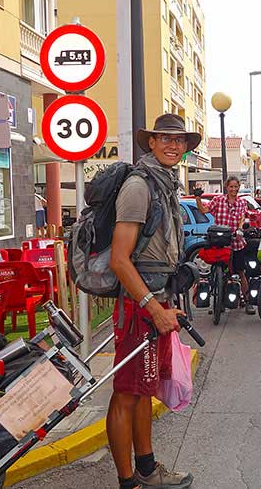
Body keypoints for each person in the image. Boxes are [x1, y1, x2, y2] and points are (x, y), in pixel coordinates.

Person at [108, 113, 196, 489]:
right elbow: (119, 259)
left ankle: (146, 468)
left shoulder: (164, 184)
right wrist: (153, 309)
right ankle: (128, 482)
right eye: (165, 139)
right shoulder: (140, 187)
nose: (173, 145)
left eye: (180, 141)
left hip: (155, 303)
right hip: (138, 309)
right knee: (126, 394)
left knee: (144, 390)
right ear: (152, 142)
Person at [195, 176, 251, 313]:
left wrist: (239, 228)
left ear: (239, 187)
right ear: (227, 187)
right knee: (215, 271)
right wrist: (198, 197)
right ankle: (217, 300)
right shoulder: (218, 200)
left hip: (236, 242)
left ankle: (247, 301)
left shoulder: (242, 202)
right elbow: (203, 210)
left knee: (240, 272)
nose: (233, 189)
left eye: (236, 187)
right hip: (219, 242)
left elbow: (242, 218)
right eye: (231, 187)